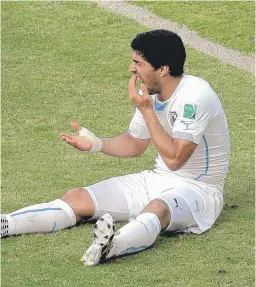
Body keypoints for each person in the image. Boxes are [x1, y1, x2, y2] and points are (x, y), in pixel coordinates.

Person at [1, 29, 230, 266]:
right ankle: (6, 223)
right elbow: (135, 143)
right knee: (77, 197)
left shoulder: (196, 95)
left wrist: (147, 110)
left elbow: (175, 159)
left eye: (138, 63)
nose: (132, 69)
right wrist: (96, 144)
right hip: (156, 179)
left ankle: (110, 247)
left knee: (157, 209)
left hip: (200, 191)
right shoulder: (151, 94)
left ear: (162, 68)